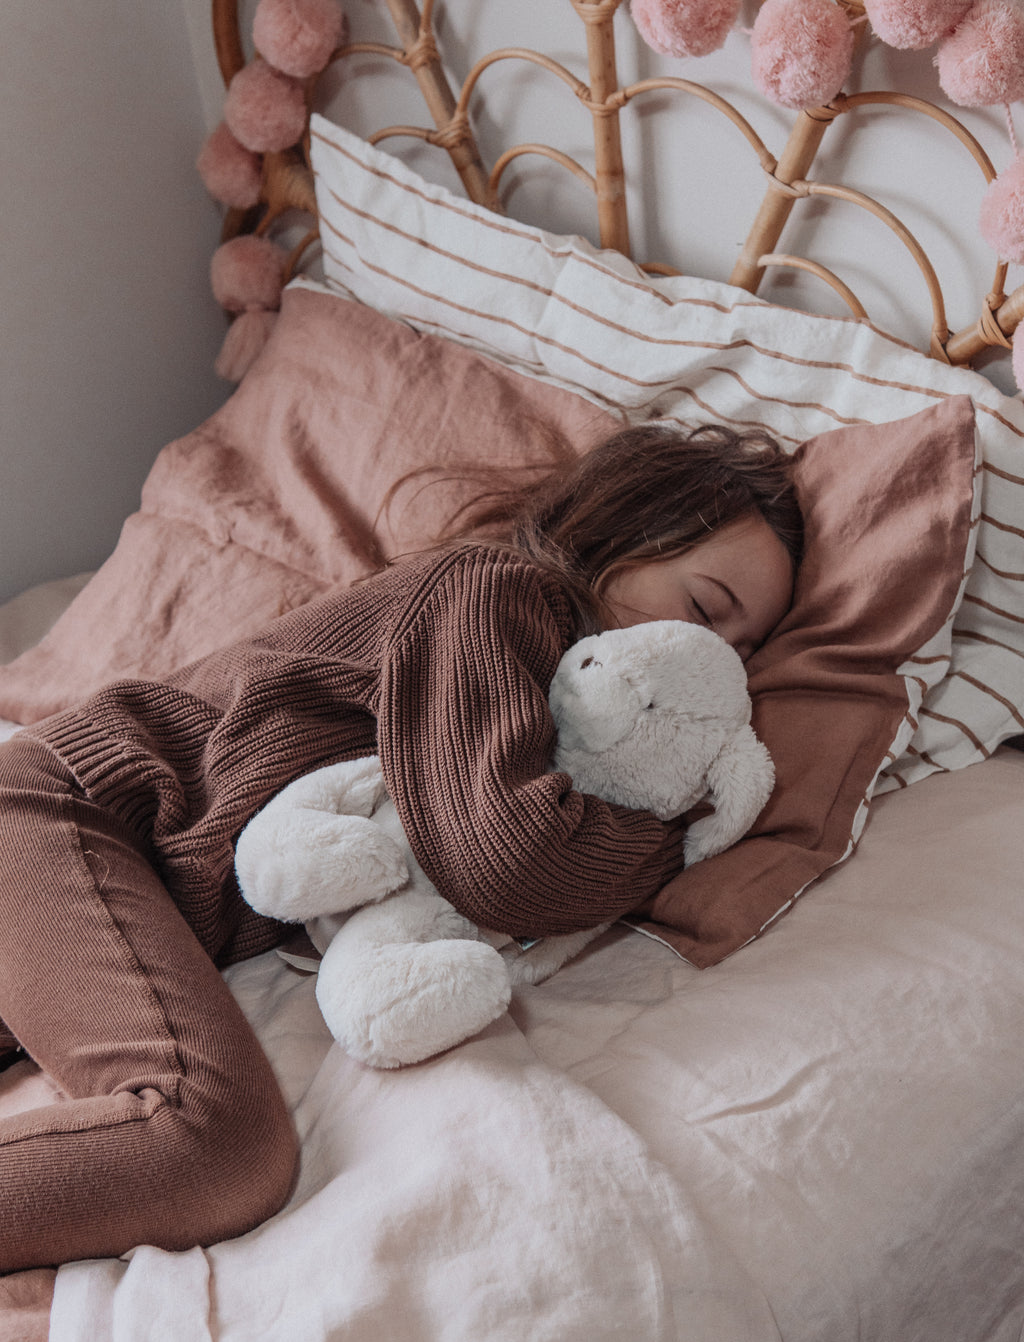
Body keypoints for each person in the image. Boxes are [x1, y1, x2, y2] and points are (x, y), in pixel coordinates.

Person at [0, 422, 802, 1272]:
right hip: (66, 815)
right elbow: (507, 859)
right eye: (707, 611)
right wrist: (678, 840)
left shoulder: (551, 705)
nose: (716, 658)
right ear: (628, 535)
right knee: (215, 1146)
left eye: (746, 651)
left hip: (95, 872)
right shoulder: (495, 593)